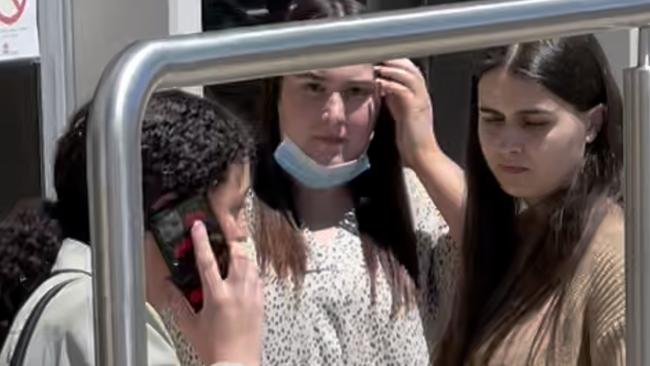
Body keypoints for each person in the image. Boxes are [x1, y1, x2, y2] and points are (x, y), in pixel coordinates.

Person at [394, 35, 625, 364]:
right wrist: (422, 152)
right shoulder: (522, 237)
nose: (507, 145)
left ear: (593, 124)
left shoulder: (614, 257)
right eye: (492, 119)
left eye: (534, 123)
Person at [249, 0, 451, 364]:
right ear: (275, 90)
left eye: (356, 92)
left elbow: (507, 264)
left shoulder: (416, 201)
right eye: (313, 86)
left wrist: (426, 152)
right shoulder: (235, 210)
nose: (335, 115)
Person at [0, 90, 263, 366]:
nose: (241, 232)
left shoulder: (77, 303)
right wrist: (236, 356)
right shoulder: (109, 320)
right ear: (175, 215)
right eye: (235, 208)